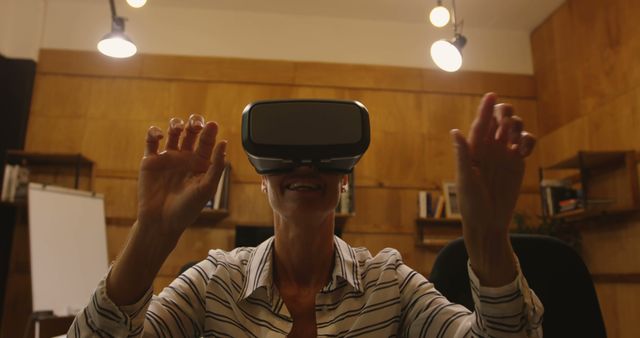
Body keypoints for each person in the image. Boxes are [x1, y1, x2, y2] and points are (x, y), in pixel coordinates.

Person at [69, 93, 543, 337]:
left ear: (345, 179)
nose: (303, 168)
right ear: (260, 177)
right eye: (285, 157)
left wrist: (489, 238)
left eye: (322, 159)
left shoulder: (390, 284)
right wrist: (151, 234)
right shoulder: (213, 283)